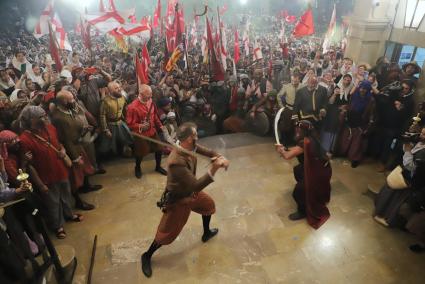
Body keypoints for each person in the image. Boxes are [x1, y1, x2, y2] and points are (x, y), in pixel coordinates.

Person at [141, 122, 229, 278]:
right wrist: (215, 167)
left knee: (208, 205)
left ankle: (206, 233)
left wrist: (219, 156)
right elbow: (196, 186)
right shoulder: (176, 162)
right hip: (180, 199)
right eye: (195, 135)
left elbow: (208, 151)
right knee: (166, 232)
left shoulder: (190, 146)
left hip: (191, 193)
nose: (197, 137)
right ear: (189, 138)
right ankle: (147, 255)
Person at [275, 120, 332, 229]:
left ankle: (302, 211)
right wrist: (284, 149)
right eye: (296, 128)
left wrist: (281, 150)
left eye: (299, 129)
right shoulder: (311, 138)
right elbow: (295, 150)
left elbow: (287, 156)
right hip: (322, 169)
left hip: (318, 172)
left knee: (298, 191)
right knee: (298, 169)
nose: (296, 131)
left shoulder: (306, 142)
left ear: (305, 131)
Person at [126, 84, 167, 178]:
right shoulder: (132, 107)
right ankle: (137, 167)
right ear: (141, 94)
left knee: (159, 149)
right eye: (148, 94)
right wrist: (140, 126)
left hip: (152, 131)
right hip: (141, 134)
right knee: (140, 153)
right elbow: (129, 124)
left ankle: (158, 167)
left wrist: (160, 126)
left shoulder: (151, 101)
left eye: (151, 93)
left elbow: (154, 116)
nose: (151, 96)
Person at [98, 81, 133, 155]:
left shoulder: (122, 97)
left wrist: (127, 119)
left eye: (119, 87)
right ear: (111, 90)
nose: (119, 89)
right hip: (110, 125)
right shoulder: (105, 101)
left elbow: (124, 109)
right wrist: (106, 129)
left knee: (127, 137)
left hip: (120, 123)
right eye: (116, 88)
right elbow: (102, 116)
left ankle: (125, 151)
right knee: (108, 144)